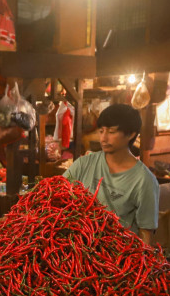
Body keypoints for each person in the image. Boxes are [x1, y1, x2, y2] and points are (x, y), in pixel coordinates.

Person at [63, 103, 160, 243]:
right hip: (78, 247)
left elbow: (146, 233)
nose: (103, 138)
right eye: (101, 131)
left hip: (117, 256)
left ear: (131, 134)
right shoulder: (84, 164)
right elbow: (56, 193)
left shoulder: (144, 180)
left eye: (111, 132)